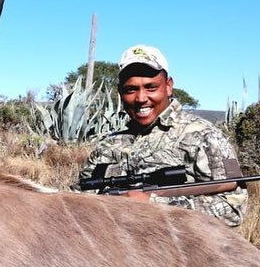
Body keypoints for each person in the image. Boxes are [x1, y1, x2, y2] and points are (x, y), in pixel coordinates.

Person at [78, 44, 248, 226]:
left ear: (168, 87)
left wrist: (152, 205)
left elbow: (232, 208)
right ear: (120, 93)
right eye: (131, 89)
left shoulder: (204, 136)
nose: (141, 98)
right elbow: (78, 199)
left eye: (151, 87)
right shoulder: (107, 144)